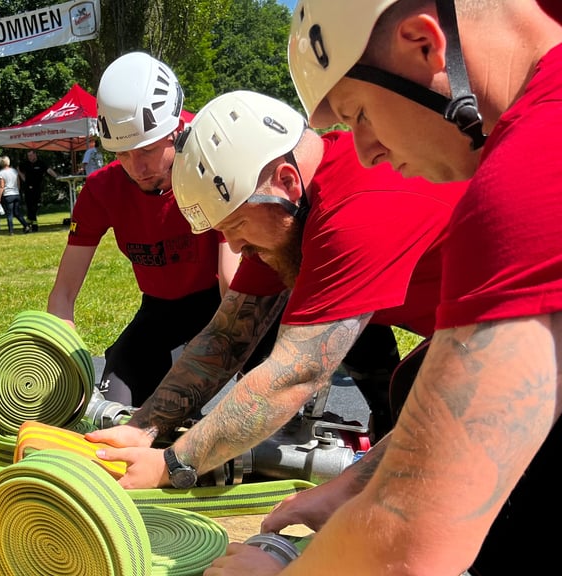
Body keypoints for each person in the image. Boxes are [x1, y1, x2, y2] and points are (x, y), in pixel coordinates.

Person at [207, 1, 562, 574]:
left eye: (360, 113)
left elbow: (413, 541)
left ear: (424, 44)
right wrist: (355, 483)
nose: (366, 150)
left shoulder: (528, 170)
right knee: (420, 380)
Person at [88, 89, 466, 486]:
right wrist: (144, 426)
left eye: (236, 225)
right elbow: (226, 337)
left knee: (417, 431)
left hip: (528, 333)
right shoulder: (287, 211)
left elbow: (295, 374)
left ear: (286, 181)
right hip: (481, 333)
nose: (234, 247)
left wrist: (174, 465)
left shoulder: (353, 211)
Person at [47, 52, 228, 408]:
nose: (137, 168)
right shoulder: (103, 189)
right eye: (123, 154)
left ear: (175, 132)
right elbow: (63, 295)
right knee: (115, 405)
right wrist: (60, 355)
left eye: (146, 150)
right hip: (159, 310)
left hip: (220, 302)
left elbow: (232, 282)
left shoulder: (211, 168)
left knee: (177, 402)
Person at [18, 149, 59, 231]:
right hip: (28, 188)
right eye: (28, 156)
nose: (29, 157)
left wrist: (57, 176)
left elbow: (49, 170)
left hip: (37, 188)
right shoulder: (25, 164)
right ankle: (34, 226)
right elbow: (18, 169)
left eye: (31, 155)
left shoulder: (41, 163)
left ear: (35, 155)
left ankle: (28, 223)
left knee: (35, 206)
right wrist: (23, 178)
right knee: (29, 207)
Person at [0, 155, 29, 234]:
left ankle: (11, 231)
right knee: (17, 212)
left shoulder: (1, 173)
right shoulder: (14, 171)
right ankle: (26, 225)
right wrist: (17, 191)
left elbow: (1, 186)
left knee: (9, 213)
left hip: (8, 195)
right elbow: (18, 183)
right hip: (16, 194)